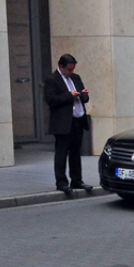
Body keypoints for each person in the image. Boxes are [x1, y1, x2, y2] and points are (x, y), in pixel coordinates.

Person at [44, 53, 92, 195]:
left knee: (76, 152)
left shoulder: (75, 78)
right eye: (69, 69)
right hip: (63, 122)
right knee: (61, 152)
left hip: (78, 119)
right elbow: (51, 100)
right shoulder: (52, 79)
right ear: (61, 67)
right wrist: (69, 95)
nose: (71, 72)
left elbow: (85, 98)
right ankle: (61, 182)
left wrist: (84, 95)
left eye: (73, 69)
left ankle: (77, 180)